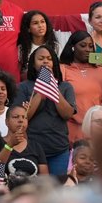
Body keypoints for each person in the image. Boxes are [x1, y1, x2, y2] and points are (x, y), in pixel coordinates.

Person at [16, 45, 77, 174]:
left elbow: (67, 114)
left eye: (49, 59)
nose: (45, 61)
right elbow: (22, 118)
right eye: (41, 58)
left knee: (57, 189)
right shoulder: (23, 87)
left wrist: (53, 88)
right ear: (33, 64)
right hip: (32, 149)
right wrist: (39, 93)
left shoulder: (66, 87)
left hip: (58, 149)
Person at [59, 31, 102, 144]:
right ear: (73, 47)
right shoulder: (63, 69)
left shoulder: (101, 71)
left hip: (96, 130)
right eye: (83, 45)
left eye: (91, 46)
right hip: (70, 129)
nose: (88, 49)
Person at [0, 104, 48, 180]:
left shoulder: (36, 146)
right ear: (6, 122)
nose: (21, 120)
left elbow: (45, 179)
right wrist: (9, 145)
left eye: (24, 117)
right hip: (6, 190)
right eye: (16, 117)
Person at [16, 10, 57, 78]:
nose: (40, 26)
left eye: (42, 22)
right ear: (28, 28)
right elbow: (19, 72)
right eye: (35, 23)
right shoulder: (21, 48)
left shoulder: (56, 46)